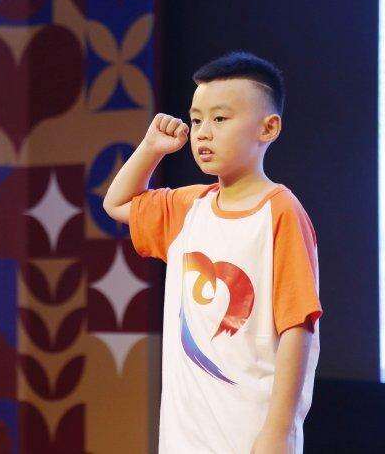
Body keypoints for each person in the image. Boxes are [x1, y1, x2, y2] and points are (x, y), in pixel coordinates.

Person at [103, 51, 322, 453]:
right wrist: (151, 147)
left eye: (220, 119)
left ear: (268, 127)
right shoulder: (189, 207)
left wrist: (279, 432)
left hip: (249, 432)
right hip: (184, 437)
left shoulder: (280, 211)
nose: (203, 133)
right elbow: (116, 204)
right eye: (197, 119)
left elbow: (298, 328)